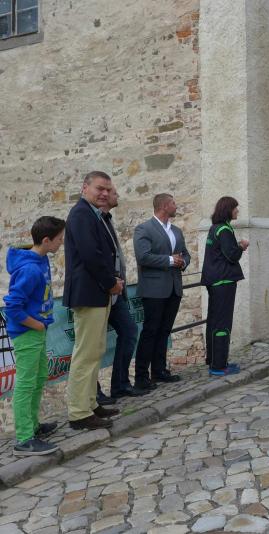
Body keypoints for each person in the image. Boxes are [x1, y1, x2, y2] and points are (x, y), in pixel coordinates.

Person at [64, 171, 123, 431]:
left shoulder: (92, 214)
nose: (104, 193)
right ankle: (79, 413)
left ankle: (89, 403)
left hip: (97, 293)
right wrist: (111, 283)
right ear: (85, 187)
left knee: (95, 350)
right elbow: (91, 255)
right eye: (100, 188)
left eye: (108, 189)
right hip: (89, 293)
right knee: (86, 353)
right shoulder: (81, 214)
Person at [4, 217, 65, 456]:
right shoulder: (29, 269)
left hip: (37, 330)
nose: (61, 243)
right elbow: (12, 307)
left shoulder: (41, 259)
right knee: (26, 383)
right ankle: (24, 439)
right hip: (27, 332)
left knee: (39, 377)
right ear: (47, 240)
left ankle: (33, 425)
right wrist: (36, 324)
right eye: (59, 239)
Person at [133, 194, 190, 390]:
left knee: (165, 330)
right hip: (153, 289)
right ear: (165, 206)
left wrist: (183, 262)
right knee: (150, 331)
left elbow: (185, 254)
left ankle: (159, 371)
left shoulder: (176, 231)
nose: (176, 206)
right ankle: (141, 376)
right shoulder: (144, 229)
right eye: (173, 203)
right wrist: (171, 260)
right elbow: (143, 257)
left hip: (174, 287)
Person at [103, 187, 145, 399]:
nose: (117, 196)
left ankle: (120, 384)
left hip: (116, 291)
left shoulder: (107, 219)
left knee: (129, 331)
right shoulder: (90, 219)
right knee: (91, 345)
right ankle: (92, 393)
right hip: (100, 291)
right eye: (113, 192)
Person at [201, 196, 249, 375]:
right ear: (228, 209)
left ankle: (215, 360)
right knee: (222, 323)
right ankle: (219, 366)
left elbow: (221, 252)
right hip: (223, 281)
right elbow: (231, 256)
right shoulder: (224, 230)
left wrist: (236, 247)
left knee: (214, 322)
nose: (237, 211)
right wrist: (242, 246)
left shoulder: (216, 228)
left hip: (215, 281)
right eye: (235, 208)